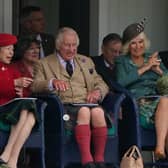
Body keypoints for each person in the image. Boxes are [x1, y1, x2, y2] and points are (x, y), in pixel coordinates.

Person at [31, 27, 109, 168]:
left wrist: (97, 92)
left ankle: (100, 159)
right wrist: (52, 82)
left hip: (88, 104)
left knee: (98, 112)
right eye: (67, 45)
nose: (71, 49)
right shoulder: (44, 63)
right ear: (58, 45)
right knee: (85, 111)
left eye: (74, 45)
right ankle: (87, 161)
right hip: (62, 108)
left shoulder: (86, 61)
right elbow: (35, 85)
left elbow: (101, 83)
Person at [115, 19, 168, 160]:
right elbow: (121, 82)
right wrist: (145, 68)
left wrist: (158, 71)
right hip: (140, 106)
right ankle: (160, 147)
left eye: (141, 42)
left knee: (165, 101)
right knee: (165, 101)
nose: (138, 46)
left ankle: (160, 152)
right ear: (127, 46)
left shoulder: (153, 58)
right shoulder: (122, 61)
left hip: (160, 106)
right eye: (133, 43)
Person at [0, 33, 38, 168]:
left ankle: (11, 159)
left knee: (32, 114)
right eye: (7, 49)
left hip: (11, 110)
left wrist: (19, 92)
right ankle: (10, 154)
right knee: (27, 108)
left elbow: (20, 95)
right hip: (2, 109)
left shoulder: (11, 69)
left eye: (12, 50)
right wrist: (15, 83)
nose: (11, 53)